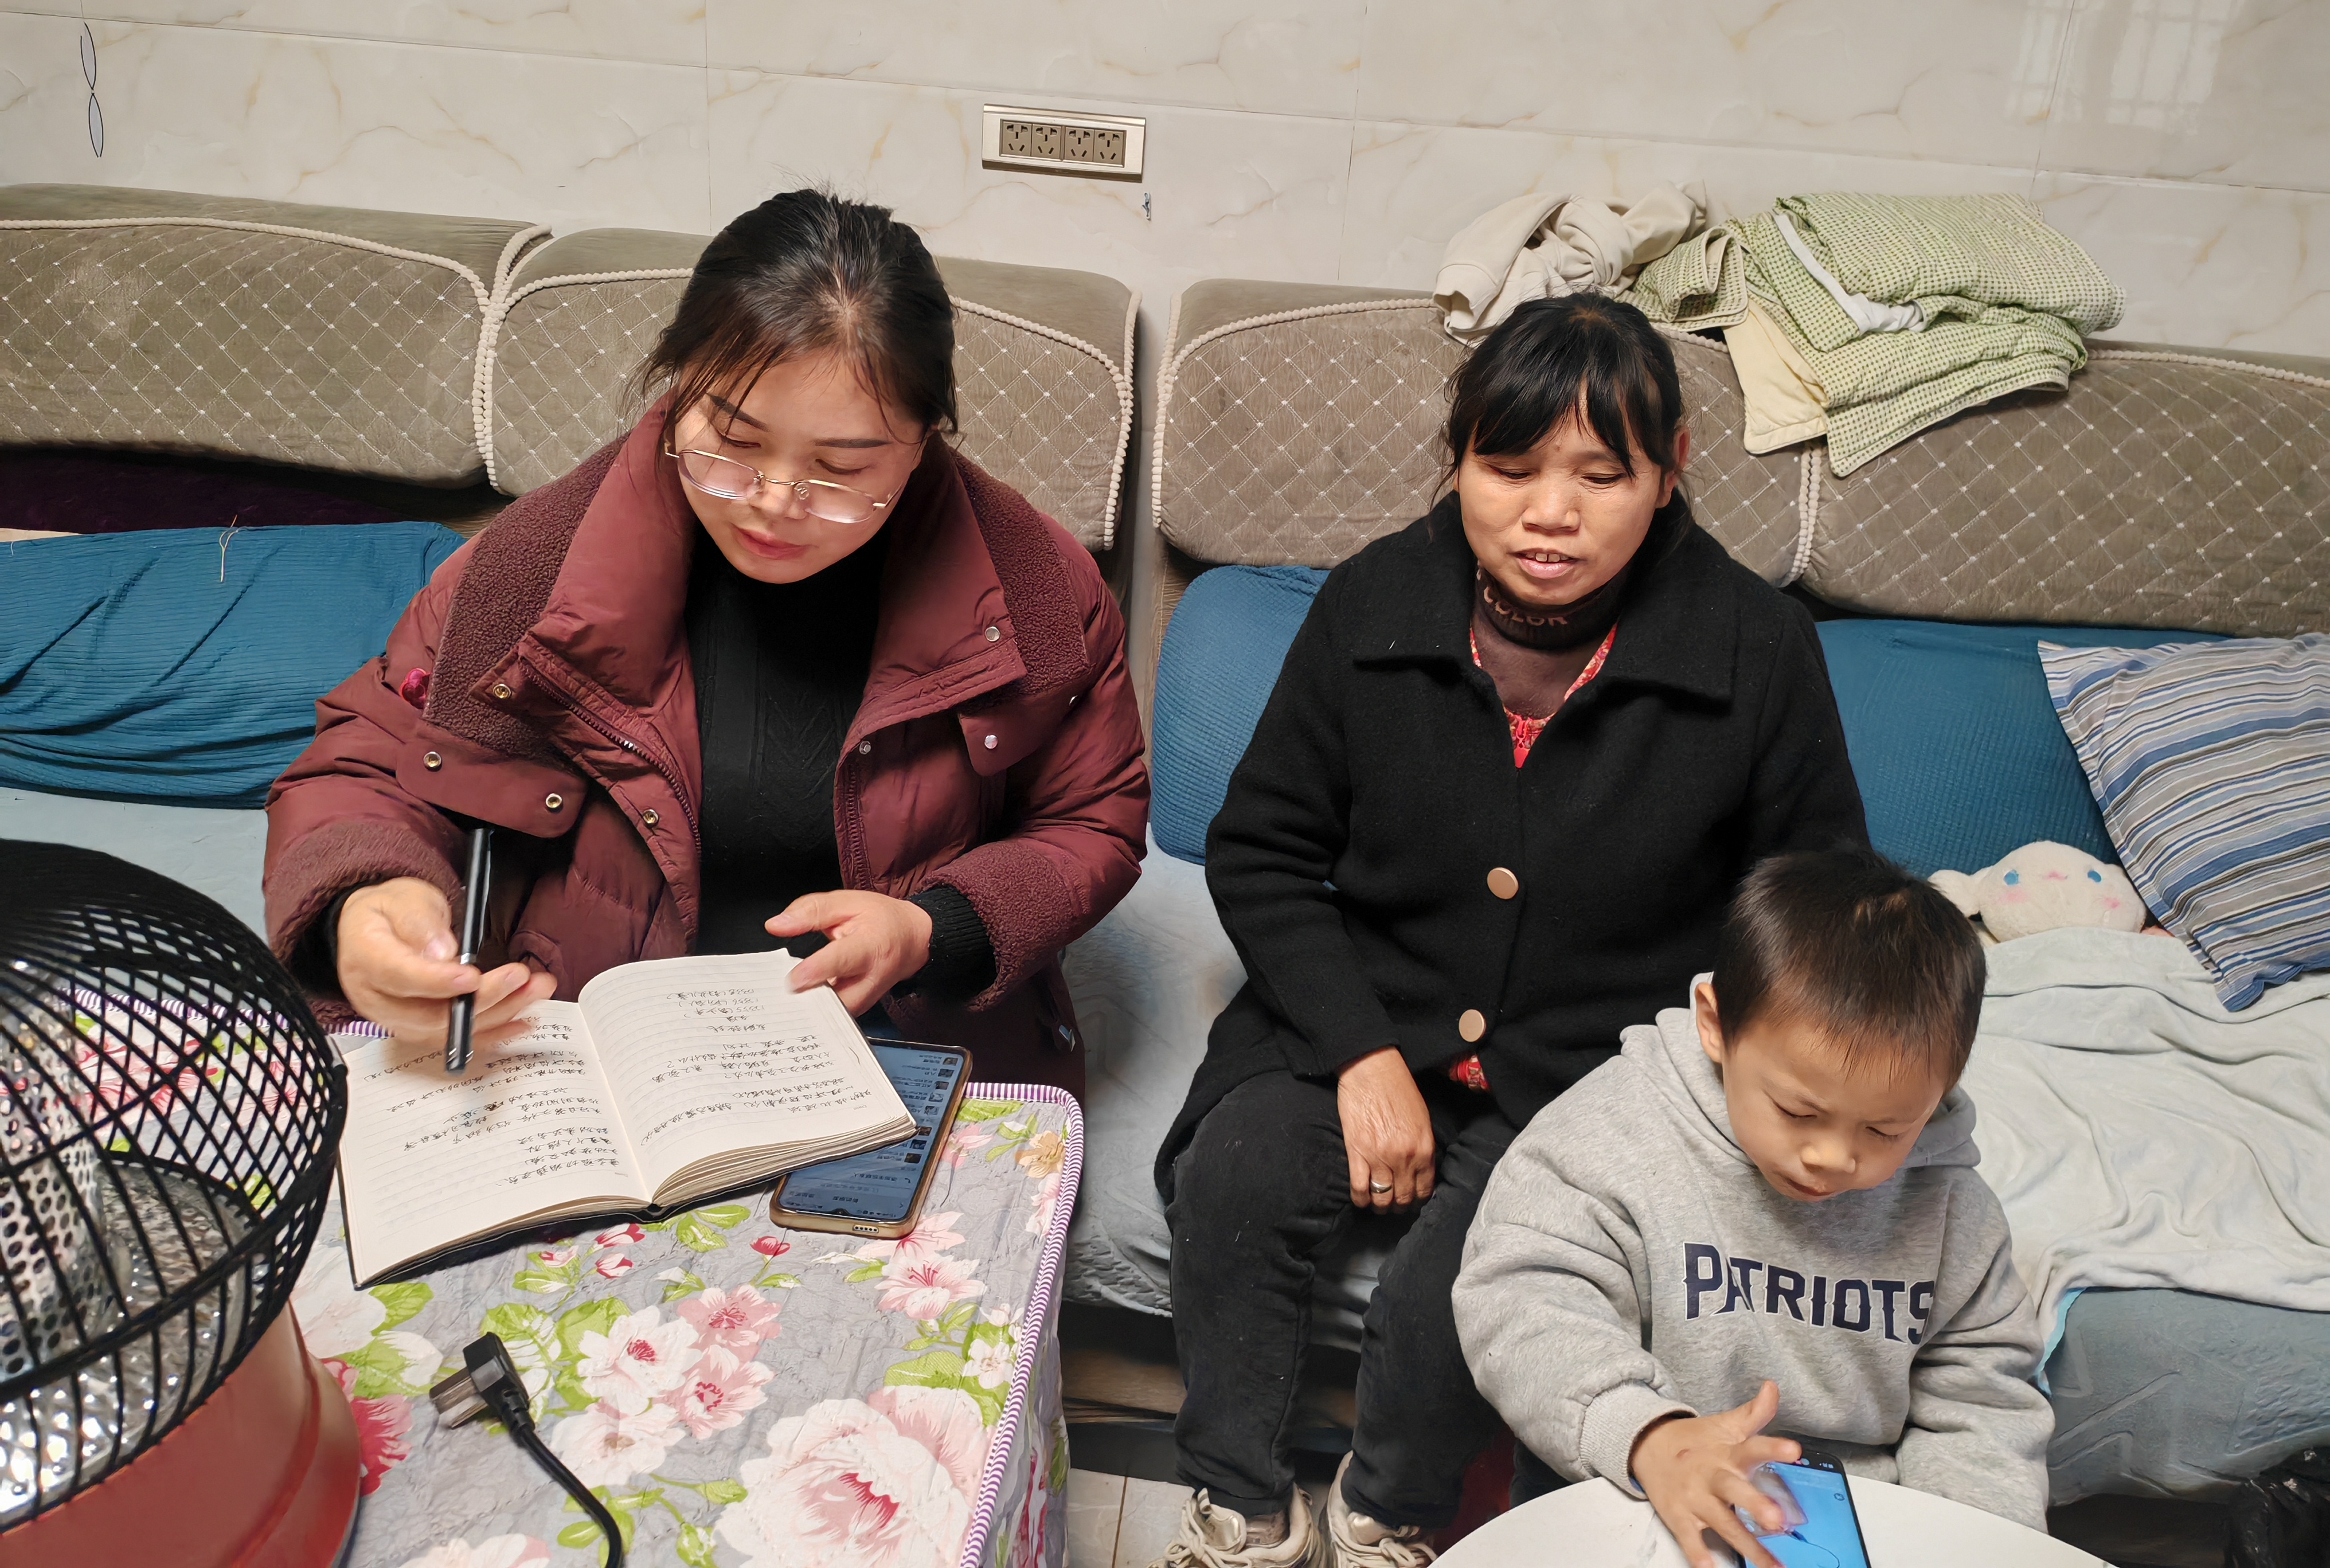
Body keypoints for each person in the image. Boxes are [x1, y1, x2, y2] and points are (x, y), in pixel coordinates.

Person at [1154, 294, 1870, 1568]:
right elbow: (1260, 849)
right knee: (1235, 1179)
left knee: (1485, 1275)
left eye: (1600, 474)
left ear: (1670, 469)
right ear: (1458, 458)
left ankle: (1389, 1517)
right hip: (1365, 1006)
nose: (1550, 512)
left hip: (1593, 1065)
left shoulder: (1756, 647)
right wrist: (1361, 1054)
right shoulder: (1372, 600)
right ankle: (1238, 1505)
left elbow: (1809, 902)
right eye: (1510, 467)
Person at [264, 189, 1148, 1090]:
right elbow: (367, 764)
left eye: (841, 470)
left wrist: (933, 930)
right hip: (593, 1051)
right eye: (733, 442)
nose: (775, 503)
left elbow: (1091, 821)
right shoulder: (532, 568)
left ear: (924, 443)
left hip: (896, 1046)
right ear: (678, 385)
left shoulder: (1032, 589)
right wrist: (368, 901)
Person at [1453, 851, 2054, 1568]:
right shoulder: (1607, 1136)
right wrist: (1645, 1434)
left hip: (1854, 1519)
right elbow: (1524, 1301)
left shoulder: (1954, 1210)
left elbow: (1979, 1399)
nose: (1832, 1157)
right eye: (1798, 1111)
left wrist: (1965, 1537)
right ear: (1716, 1025)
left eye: (1884, 1130)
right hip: (1625, 1481)